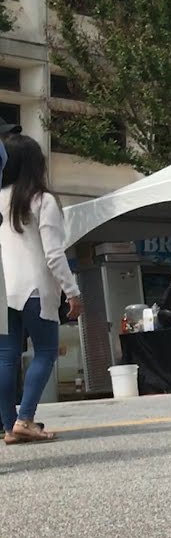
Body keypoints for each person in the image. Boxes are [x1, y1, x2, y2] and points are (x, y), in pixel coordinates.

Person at [0, 134, 81, 443]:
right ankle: (25, 419)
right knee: (45, 352)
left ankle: (10, 426)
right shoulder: (41, 199)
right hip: (34, 288)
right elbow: (53, 254)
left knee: (5, 358)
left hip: (3, 287)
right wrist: (72, 291)